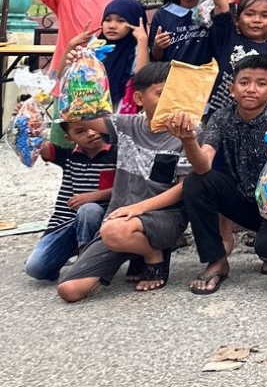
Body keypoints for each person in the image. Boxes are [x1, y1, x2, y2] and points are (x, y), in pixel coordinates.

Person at [57, 63, 190, 300]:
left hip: (164, 218)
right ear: (139, 97)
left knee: (112, 229)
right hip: (121, 221)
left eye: (175, 92)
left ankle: (153, 255)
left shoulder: (187, 131)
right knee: (69, 290)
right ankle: (136, 250)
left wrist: (136, 209)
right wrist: (74, 68)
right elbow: (74, 114)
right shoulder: (126, 125)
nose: (171, 99)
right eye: (161, 93)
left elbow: (183, 188)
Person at [178, 53, 267, 293]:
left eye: (261, 83)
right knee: (197, 181)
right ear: (232, 88)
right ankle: (216, 260)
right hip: (245, 202)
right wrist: (188, 140)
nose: (251, 89)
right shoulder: (221, 118)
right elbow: (203, 165)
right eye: (244, 82)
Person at [24, 116, 116, 283]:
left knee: (89, 209)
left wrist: (94, 196)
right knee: (35, 268)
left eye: (94, 126)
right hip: (65, 223)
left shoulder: (117, 154)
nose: (91, 133)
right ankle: (70, 251)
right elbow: (38, 145)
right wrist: (26, 120)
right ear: (69, 138)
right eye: (80, 131)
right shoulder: (68, 157)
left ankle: (86, 265)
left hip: (100, 221)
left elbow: (126, 188)